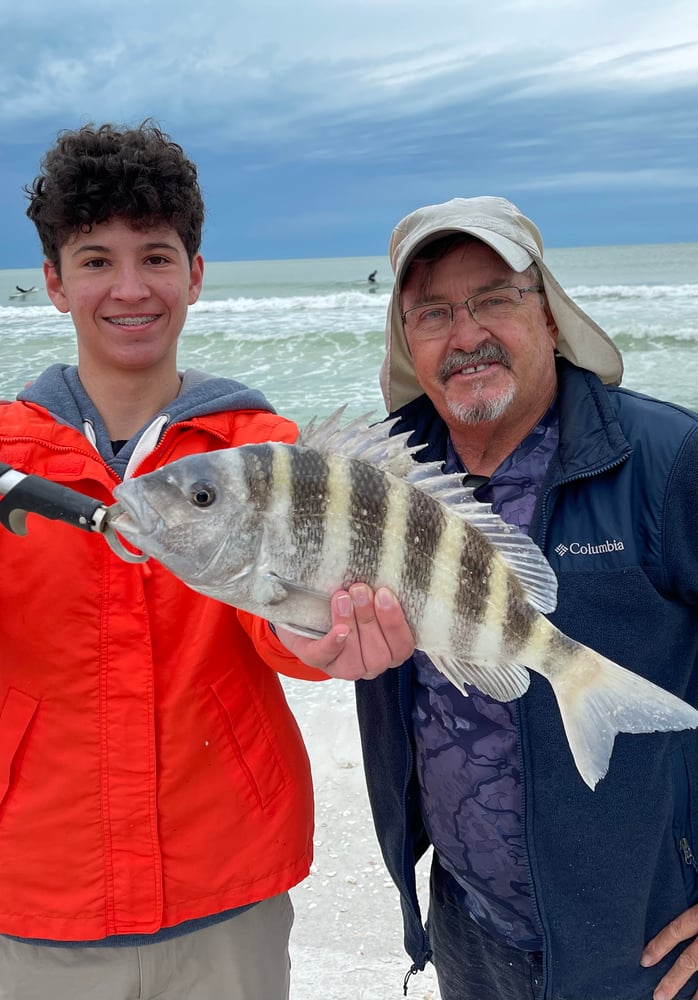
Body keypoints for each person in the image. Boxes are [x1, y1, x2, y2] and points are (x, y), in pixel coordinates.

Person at [0, 121, 412, 1000]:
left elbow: (273, 629)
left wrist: (318, 644)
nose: (129, 287)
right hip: (34, 897)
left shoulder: (259, 445)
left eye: (155, 256)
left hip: (227, 887)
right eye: (95, 259)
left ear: (193, 273)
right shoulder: (8, 458)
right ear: (53, 283)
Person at [353, 196, 698, 1000]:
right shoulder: (380, 483)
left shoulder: (668, 461)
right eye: (433, 312)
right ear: (408, 342)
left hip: (641, 949)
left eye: (495, 298)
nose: (466, 332)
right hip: (466, 929)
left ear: (548, 315)